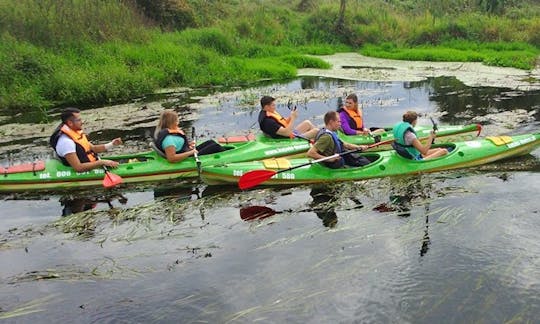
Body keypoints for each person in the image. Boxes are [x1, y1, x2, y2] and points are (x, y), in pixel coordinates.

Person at [50, 108, 122, 172]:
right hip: (78, 169)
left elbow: (94, 148)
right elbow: (78, 168)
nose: (82, 122)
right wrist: (101, 162)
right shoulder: (66, 142)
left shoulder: (76, 133)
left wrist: (112, 144)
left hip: (91, 163)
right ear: (70, 123)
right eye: (79, 120)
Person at [154, 110, 225, 163]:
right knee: (215, 146)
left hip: (186, 152)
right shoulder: (168, 139)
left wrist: (188, 145)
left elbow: (177, 146)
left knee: (211, 142)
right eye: (177, 120)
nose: (178, 122)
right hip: (188, 157)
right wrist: (190, 152)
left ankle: (224, 152)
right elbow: (171, 158)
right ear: (172, 122)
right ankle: (228, 156)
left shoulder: (169, 132)